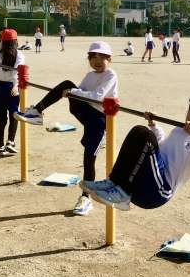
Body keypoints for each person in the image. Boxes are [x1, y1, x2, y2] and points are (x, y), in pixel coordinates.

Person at [14, 41, 118, 216]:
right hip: (86, 113)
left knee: (89, 159)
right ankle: (37, 111)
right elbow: (78, 91)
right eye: (93, 57)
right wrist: (71, 92)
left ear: (110, 59)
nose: (97, 61)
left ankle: (85, 198)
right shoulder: (90, 75)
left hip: (100, 121)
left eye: (102, 57)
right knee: (66, 84)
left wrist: (72, 92)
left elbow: (97, 97)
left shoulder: (111, 75)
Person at [81, 90, 190, 211]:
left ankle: (122, 194)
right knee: (139, 131)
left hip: (158, 192)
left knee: (145, 135)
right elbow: (160, 149)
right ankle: (113, 182)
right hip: (145, 182)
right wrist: (153, 125)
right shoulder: (180, 130)